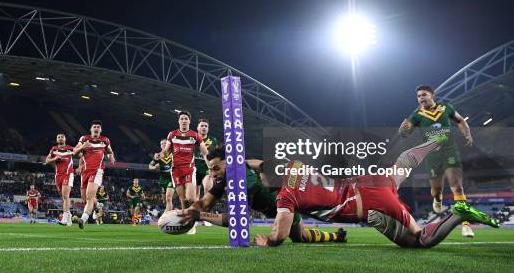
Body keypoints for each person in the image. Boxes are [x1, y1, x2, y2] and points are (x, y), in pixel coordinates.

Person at [254, 136, 499, 247]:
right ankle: (436, 141)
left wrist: (268, 241)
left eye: (262, 179)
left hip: (371, 203)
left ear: (275, 177)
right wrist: (241, 161)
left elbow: (280, 235)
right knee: (402, 165)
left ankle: (457, 214)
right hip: (369, 182)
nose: (261, 181)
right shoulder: (294, 165)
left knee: (419, 239)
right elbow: (262, 165)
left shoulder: (286, 195)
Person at [179, 146, 347, 243]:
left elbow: (236, 219)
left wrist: (200, 215)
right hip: (273, 205)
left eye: (216, 169)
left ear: (229, 164)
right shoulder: (228, 176)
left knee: (300, 237)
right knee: (301, 235)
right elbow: (204, 203)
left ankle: (336, 235)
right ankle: (337, 234)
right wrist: (186, 212)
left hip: (285, 208)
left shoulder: (245, 183)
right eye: (210, 170)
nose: (213, 174)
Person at [399, 84, 475, 237]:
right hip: (432, 155)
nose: (421, 98)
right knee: (437, 189)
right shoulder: (417, 114)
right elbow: (406, 134)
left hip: (450, 151)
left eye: (424, 95)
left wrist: (467, 133)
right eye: (419, 96)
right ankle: (437, 198)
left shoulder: (446, 108)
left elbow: (460, 121)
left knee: (457, 188)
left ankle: (465, 224)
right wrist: (402, 130)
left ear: (432, 95)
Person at [74, 119, 115, 229]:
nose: (96, 128)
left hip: (97, 171)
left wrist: (112, 157)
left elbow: (110, 151)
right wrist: (83, 146)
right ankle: (97, 206)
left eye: (98, 127)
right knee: (85, 199)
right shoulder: (84, 138)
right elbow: (75, 152)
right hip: (85, 172)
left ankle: (83, 219)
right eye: (94, 127)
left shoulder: (105, 140)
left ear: (101, 130)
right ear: (91, 129)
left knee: (89, 196)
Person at [45, 133, 75, 226]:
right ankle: (69, 216)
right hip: (58, 175)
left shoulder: (70, 148)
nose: (60, 138)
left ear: (65, 139)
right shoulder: (54, 149)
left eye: (62, 137)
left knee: (66, 196)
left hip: (68, 174)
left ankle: (64, 219)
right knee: (63, 197)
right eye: (58, 137)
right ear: (56, 139)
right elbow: (46, 161)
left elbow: (82, 155)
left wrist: (81, 166)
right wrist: (55, 158)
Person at [194, 118, 219, 198]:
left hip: (207, 169)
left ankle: (207, 209)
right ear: (197, 127)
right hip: (194, 169)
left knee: (207, 189)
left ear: (208, 129)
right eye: (202, 126)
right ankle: (196, 209)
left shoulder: (213, 140)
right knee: (194, 196)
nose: (204, 127)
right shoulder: (192, 139)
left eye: (206, 126)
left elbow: (216, 155)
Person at [149, 139, 175, 212]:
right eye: (162, 144)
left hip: (172, 179)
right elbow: (150, 165)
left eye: (165, 143)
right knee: (164, 201)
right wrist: (154, 167)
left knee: (169, 199)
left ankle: (167, 217)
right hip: (163, 179)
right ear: (160, 146)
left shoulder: (174, 154)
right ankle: (169, 210)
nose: (164, 144)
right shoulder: (158, 155)